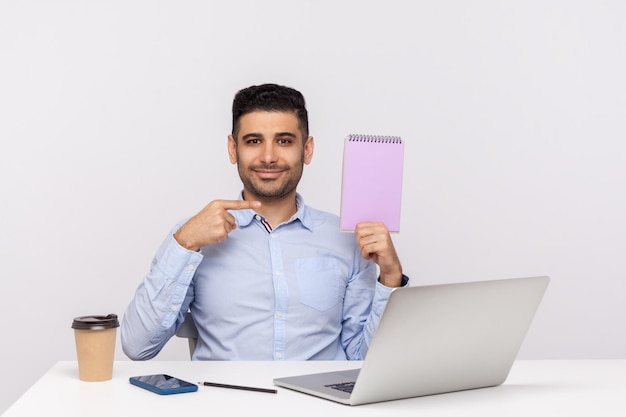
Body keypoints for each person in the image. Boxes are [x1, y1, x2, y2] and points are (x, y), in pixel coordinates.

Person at [121, 83, 408, 361]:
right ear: (233, 149)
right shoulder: (193, 237)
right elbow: (138, 347)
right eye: (254, 141)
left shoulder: (346, 238)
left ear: (306, 150)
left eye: (284, 141)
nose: (269, 157)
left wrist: (390, 277)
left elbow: (365, 360)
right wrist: (184, 244)